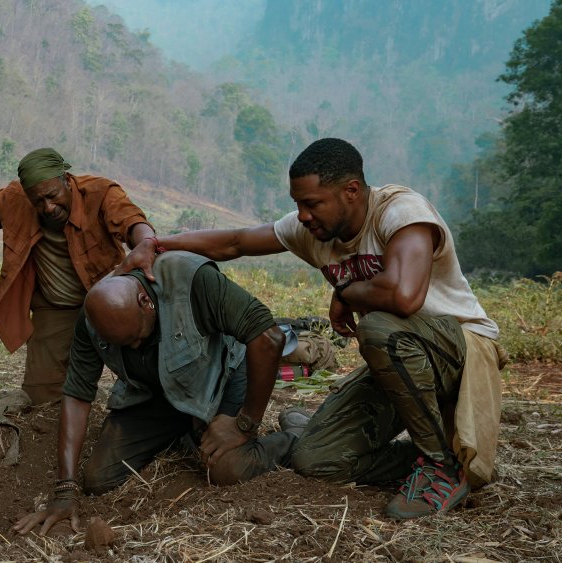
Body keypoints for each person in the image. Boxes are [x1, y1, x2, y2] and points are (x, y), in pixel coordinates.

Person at [119, 138, 506, 520]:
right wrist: (156, 244)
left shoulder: (401, 212)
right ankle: (426, 457)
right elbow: (235, 242)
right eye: (297, 205)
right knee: (316, 459)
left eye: (312, 203)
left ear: (351, 191)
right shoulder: (314, 230)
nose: (303, 215)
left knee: (379, 330)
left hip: (460, 352)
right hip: (402, 368)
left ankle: (441, 466)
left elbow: (405, 297)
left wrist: (347, 292)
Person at [14, 250, 301, 535]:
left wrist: (244, 423)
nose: (136, 349)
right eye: (124, 346)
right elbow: (77, 394)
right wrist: (65, 490)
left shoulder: (191, 280)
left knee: (226, 469)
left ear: (145, 301)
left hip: (221, 377)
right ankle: (187, 428)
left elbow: (268, 337)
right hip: (157, 392)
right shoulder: (93, 319)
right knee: (99, 478)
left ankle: (296, 436)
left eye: (138, 338)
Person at [0, 148, 156, 404]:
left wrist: (146, 243)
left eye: (53, 196)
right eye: (38, 201)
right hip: (56, 308)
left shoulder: (100, 193)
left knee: (146, 380)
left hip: (108, 303)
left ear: (66, 180)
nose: (48, 207)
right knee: (40, 396)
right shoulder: (15, 198)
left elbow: (132, 221)